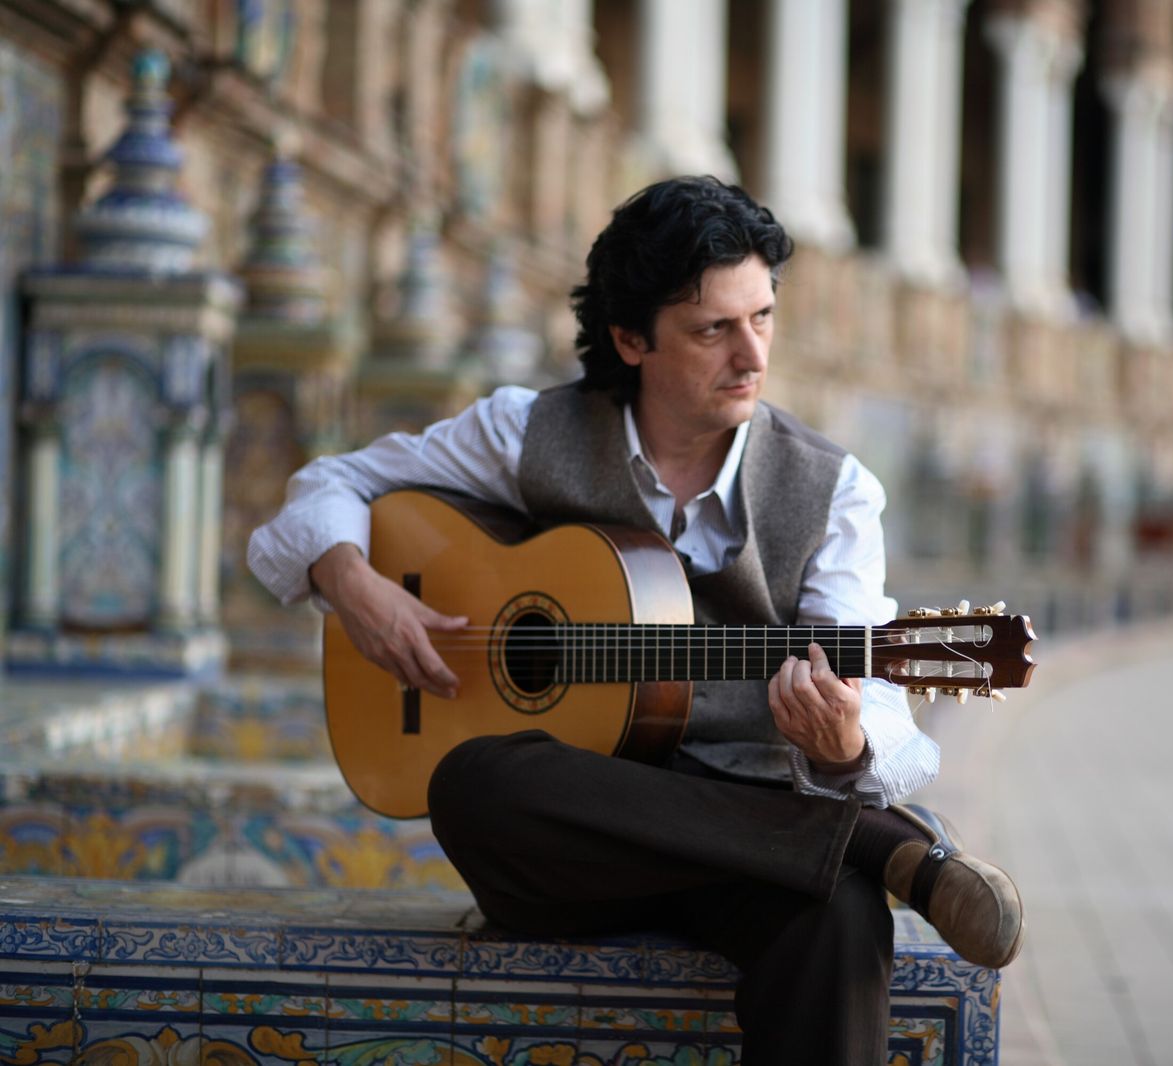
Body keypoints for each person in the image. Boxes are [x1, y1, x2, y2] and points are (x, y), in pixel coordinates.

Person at [248, 175, 1023, 1064]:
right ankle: (873, 846)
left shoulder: (831, 491)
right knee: (473, 784)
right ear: (629, 339)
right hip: (581, 851)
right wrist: (355, 585)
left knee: (842, 919)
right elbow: (326, 484)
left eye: (763, 317)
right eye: (713, 329)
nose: (752, 355)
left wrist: (843, 746)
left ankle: (839, 847)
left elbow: (875, 709)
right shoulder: (527, 432)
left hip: (756, 841)